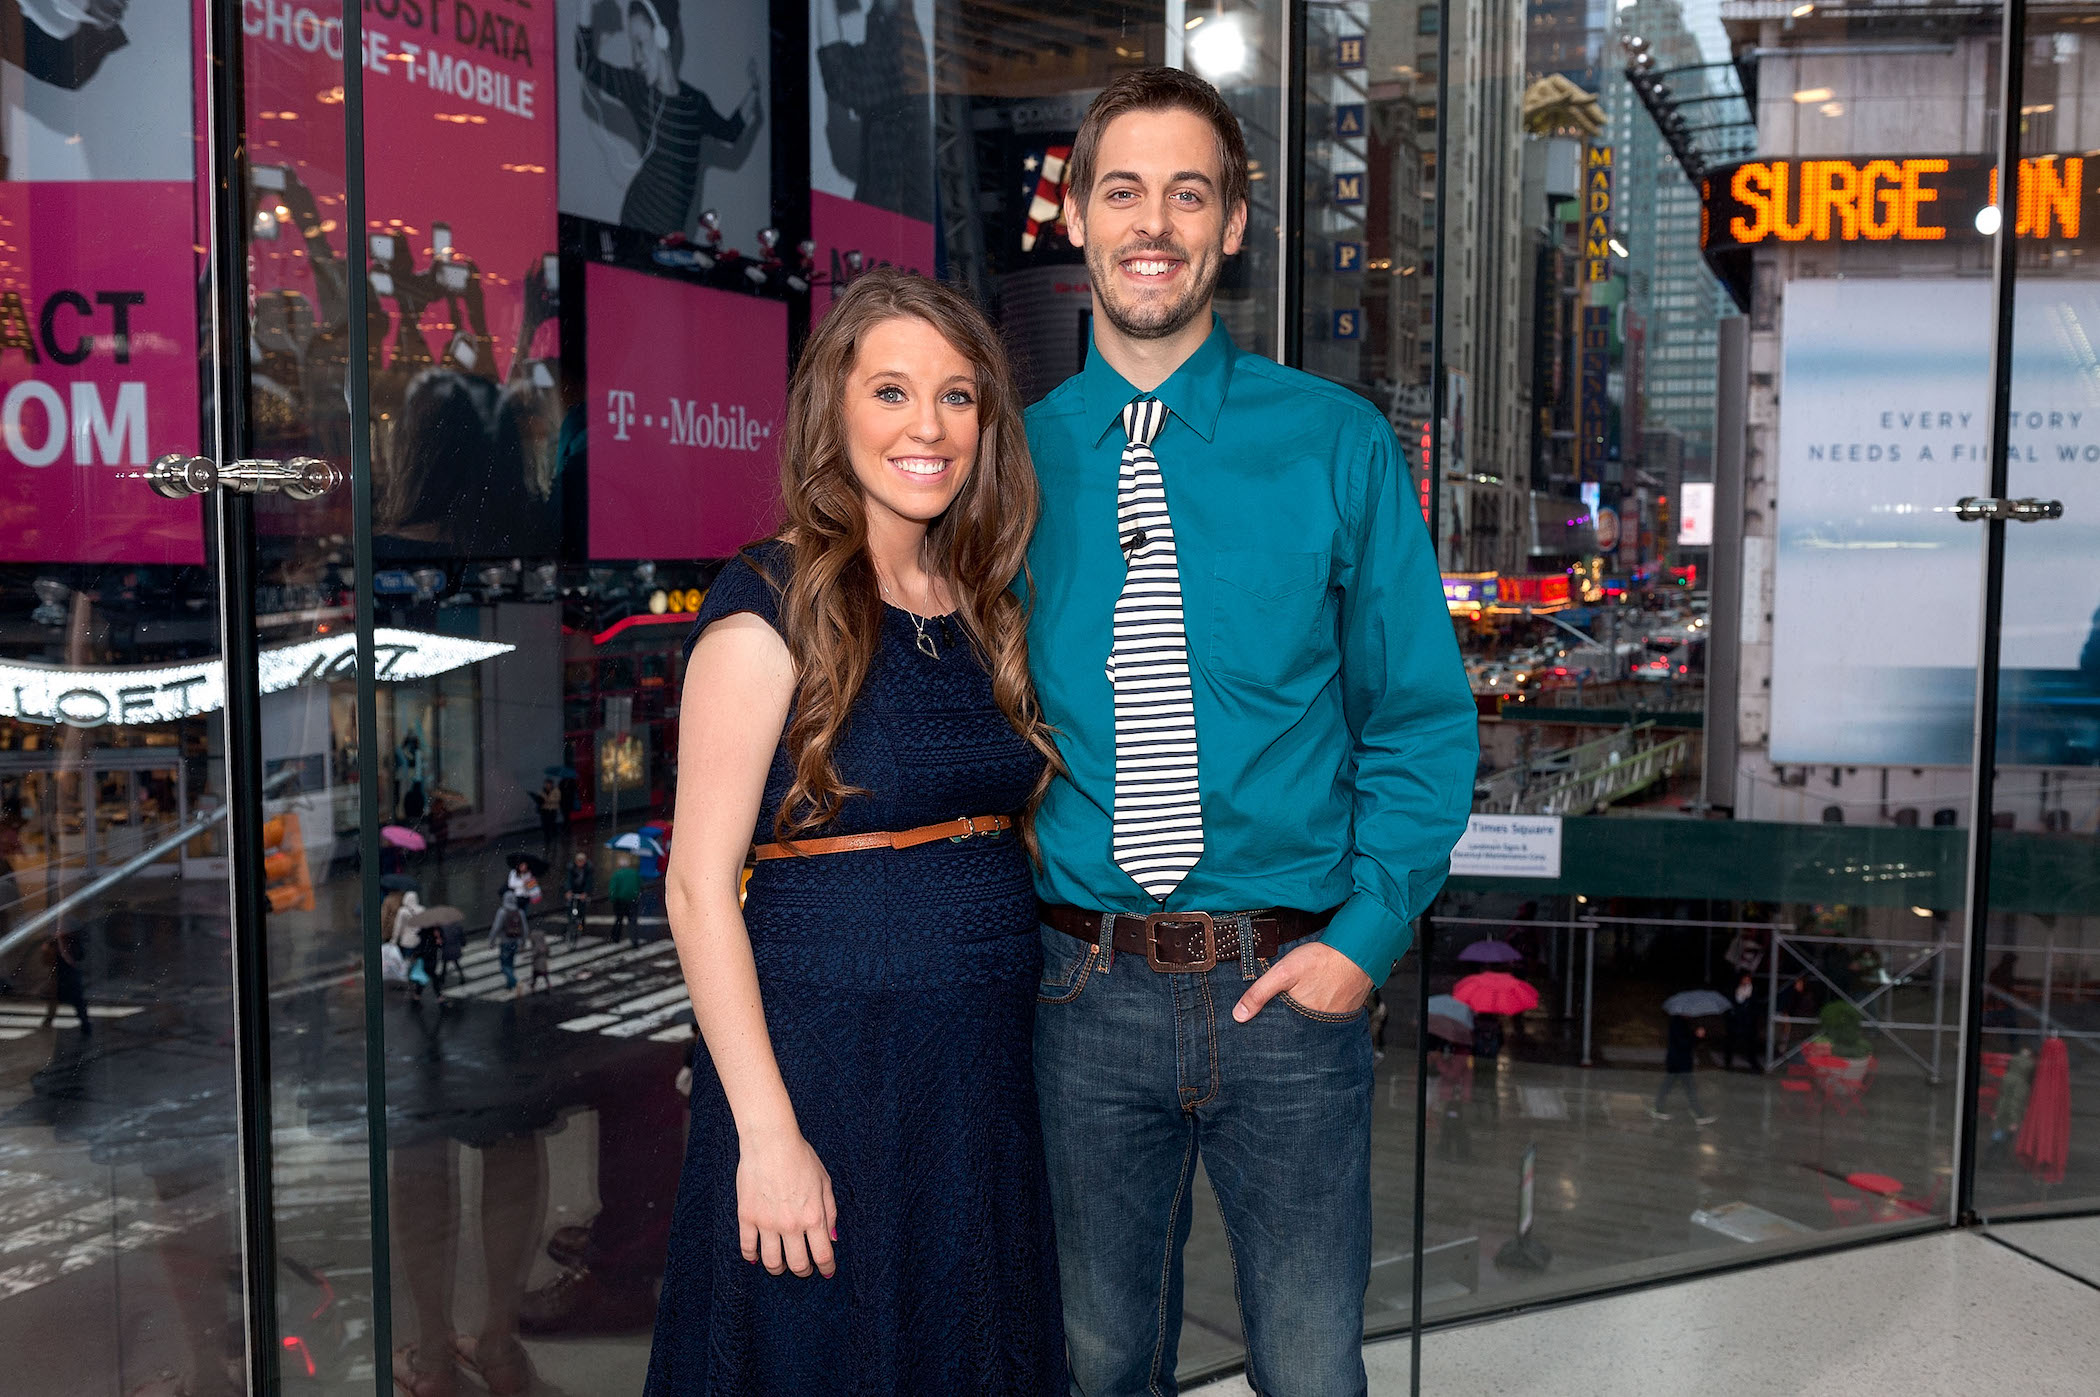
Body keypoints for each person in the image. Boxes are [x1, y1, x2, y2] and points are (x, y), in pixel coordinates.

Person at [1022, 69, 1477, 1394]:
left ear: (1229, 227)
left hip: (1294, 991)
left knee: (1310, 1366)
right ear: (1075, 218)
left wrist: (1367, 941)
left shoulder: (1336, 443)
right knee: (1101, 1364)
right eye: (1123, 190)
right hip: (1081, 991)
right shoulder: (1012, 459)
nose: (1152, 223)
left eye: (1187, 192)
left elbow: (1420, 721)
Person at [645, 269, 1064, 1394]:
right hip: (827, 1067)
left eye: (959, 396)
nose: (928, 426)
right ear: (834, 409)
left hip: (974, 1077)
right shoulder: (768, 603)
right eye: (891, 391)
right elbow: (695, 890)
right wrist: (768, 1137)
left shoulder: (981, 602)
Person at [574, 2, 762, 236]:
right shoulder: (638, 90)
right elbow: (585, 61)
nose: (636, 57)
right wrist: (585, 4)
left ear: (663, 38)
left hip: (672, 234)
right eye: (633, 47)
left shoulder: (696, 103)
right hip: (636, 225)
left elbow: (731, 132)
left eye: (641, 44)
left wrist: (754, 91)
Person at [1651, 1015, 1717, 1125]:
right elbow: (1684, 1043)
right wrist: (1696, 1036)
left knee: (1671, 1086)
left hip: (1678, 1061)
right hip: (1679, 1062)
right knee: (1688, 1088)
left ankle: (1659, 1108)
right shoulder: (1678, 1023)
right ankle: (1698, 1112)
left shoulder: (1682, 1021)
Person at [1723, 972, 1763, 1072]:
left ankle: (1753, 1063)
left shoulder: (1754, 990)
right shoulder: (1734, 989)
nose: (1746, 981)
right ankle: (1728, 1062)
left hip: (1748, 1021)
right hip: (1735, 1020)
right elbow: (1730, 1001)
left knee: (1750, 1043)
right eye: (1745, 978)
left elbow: (1756, 1005)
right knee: (1730, 1041)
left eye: (1748, 979)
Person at [491, 893, 528, 998]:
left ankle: (515, 982)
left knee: (504, 966)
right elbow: (524, 929)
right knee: (510, 964)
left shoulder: (502, 912)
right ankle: (510, 984)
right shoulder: (519, 912)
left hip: (505, 942)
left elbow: (496, 927)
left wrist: (492, 940)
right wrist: (523, 942)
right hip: (515, 942)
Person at [608, 854, 641, 945]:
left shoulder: (617, 874)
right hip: (632, 900)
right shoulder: (634, 873)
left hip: (620, 900)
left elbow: (613, 888)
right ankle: (634, 940)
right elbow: (639, 885)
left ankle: (615, 938)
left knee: (619, 920)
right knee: (633, 921)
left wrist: (613, 898)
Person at [565, 850, 594, 945]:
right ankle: (570, 928)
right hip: (574, 891)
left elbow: (589, 882)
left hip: (582, 892)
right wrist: (568, 890)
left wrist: (585, 893)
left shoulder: (588, 869)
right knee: (570, 910)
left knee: (581, 912)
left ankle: (580, 928)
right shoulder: (571, 868)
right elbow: (568, 880)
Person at [537, 778, 565, 857]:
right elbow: (539, 799)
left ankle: (554, 836)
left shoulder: (556, 790)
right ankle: (547, 838)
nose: (547, 785)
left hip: (552, 810)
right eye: (546, 784)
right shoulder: (542, 791)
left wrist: (546, 800)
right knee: (545, 824)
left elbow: (557, 799)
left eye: (549, 784)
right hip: (544, 810)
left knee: (552, 823)